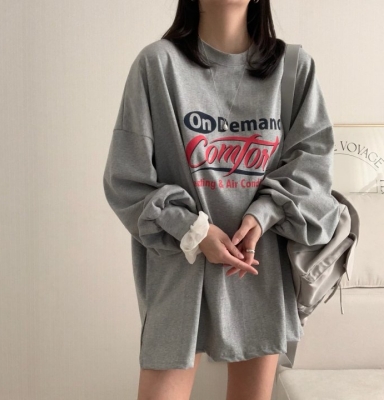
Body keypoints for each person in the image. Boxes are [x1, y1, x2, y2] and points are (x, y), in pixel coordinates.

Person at [103, 0, 340, 399]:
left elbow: (312, 171)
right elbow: (126, 180)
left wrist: (262, 214)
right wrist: (196, 231)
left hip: (258, 266)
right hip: (181, 267)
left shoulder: (293, 68)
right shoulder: (158, 65)